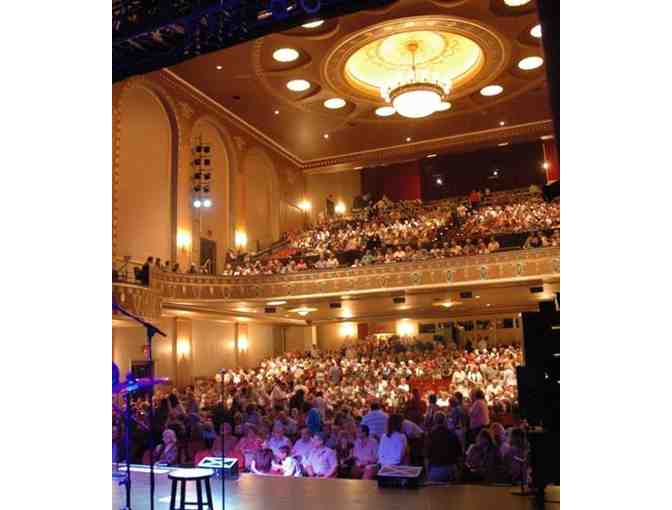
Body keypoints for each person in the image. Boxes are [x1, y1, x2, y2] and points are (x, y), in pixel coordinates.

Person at [425, 413, 462, 482]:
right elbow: (459, 456)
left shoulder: (430, 436)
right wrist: (458, 472)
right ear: (445, 421)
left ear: (434, 422)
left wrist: (428, 474)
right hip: (450, 469)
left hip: (435, 470)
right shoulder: (453, 435)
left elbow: (427, 458)